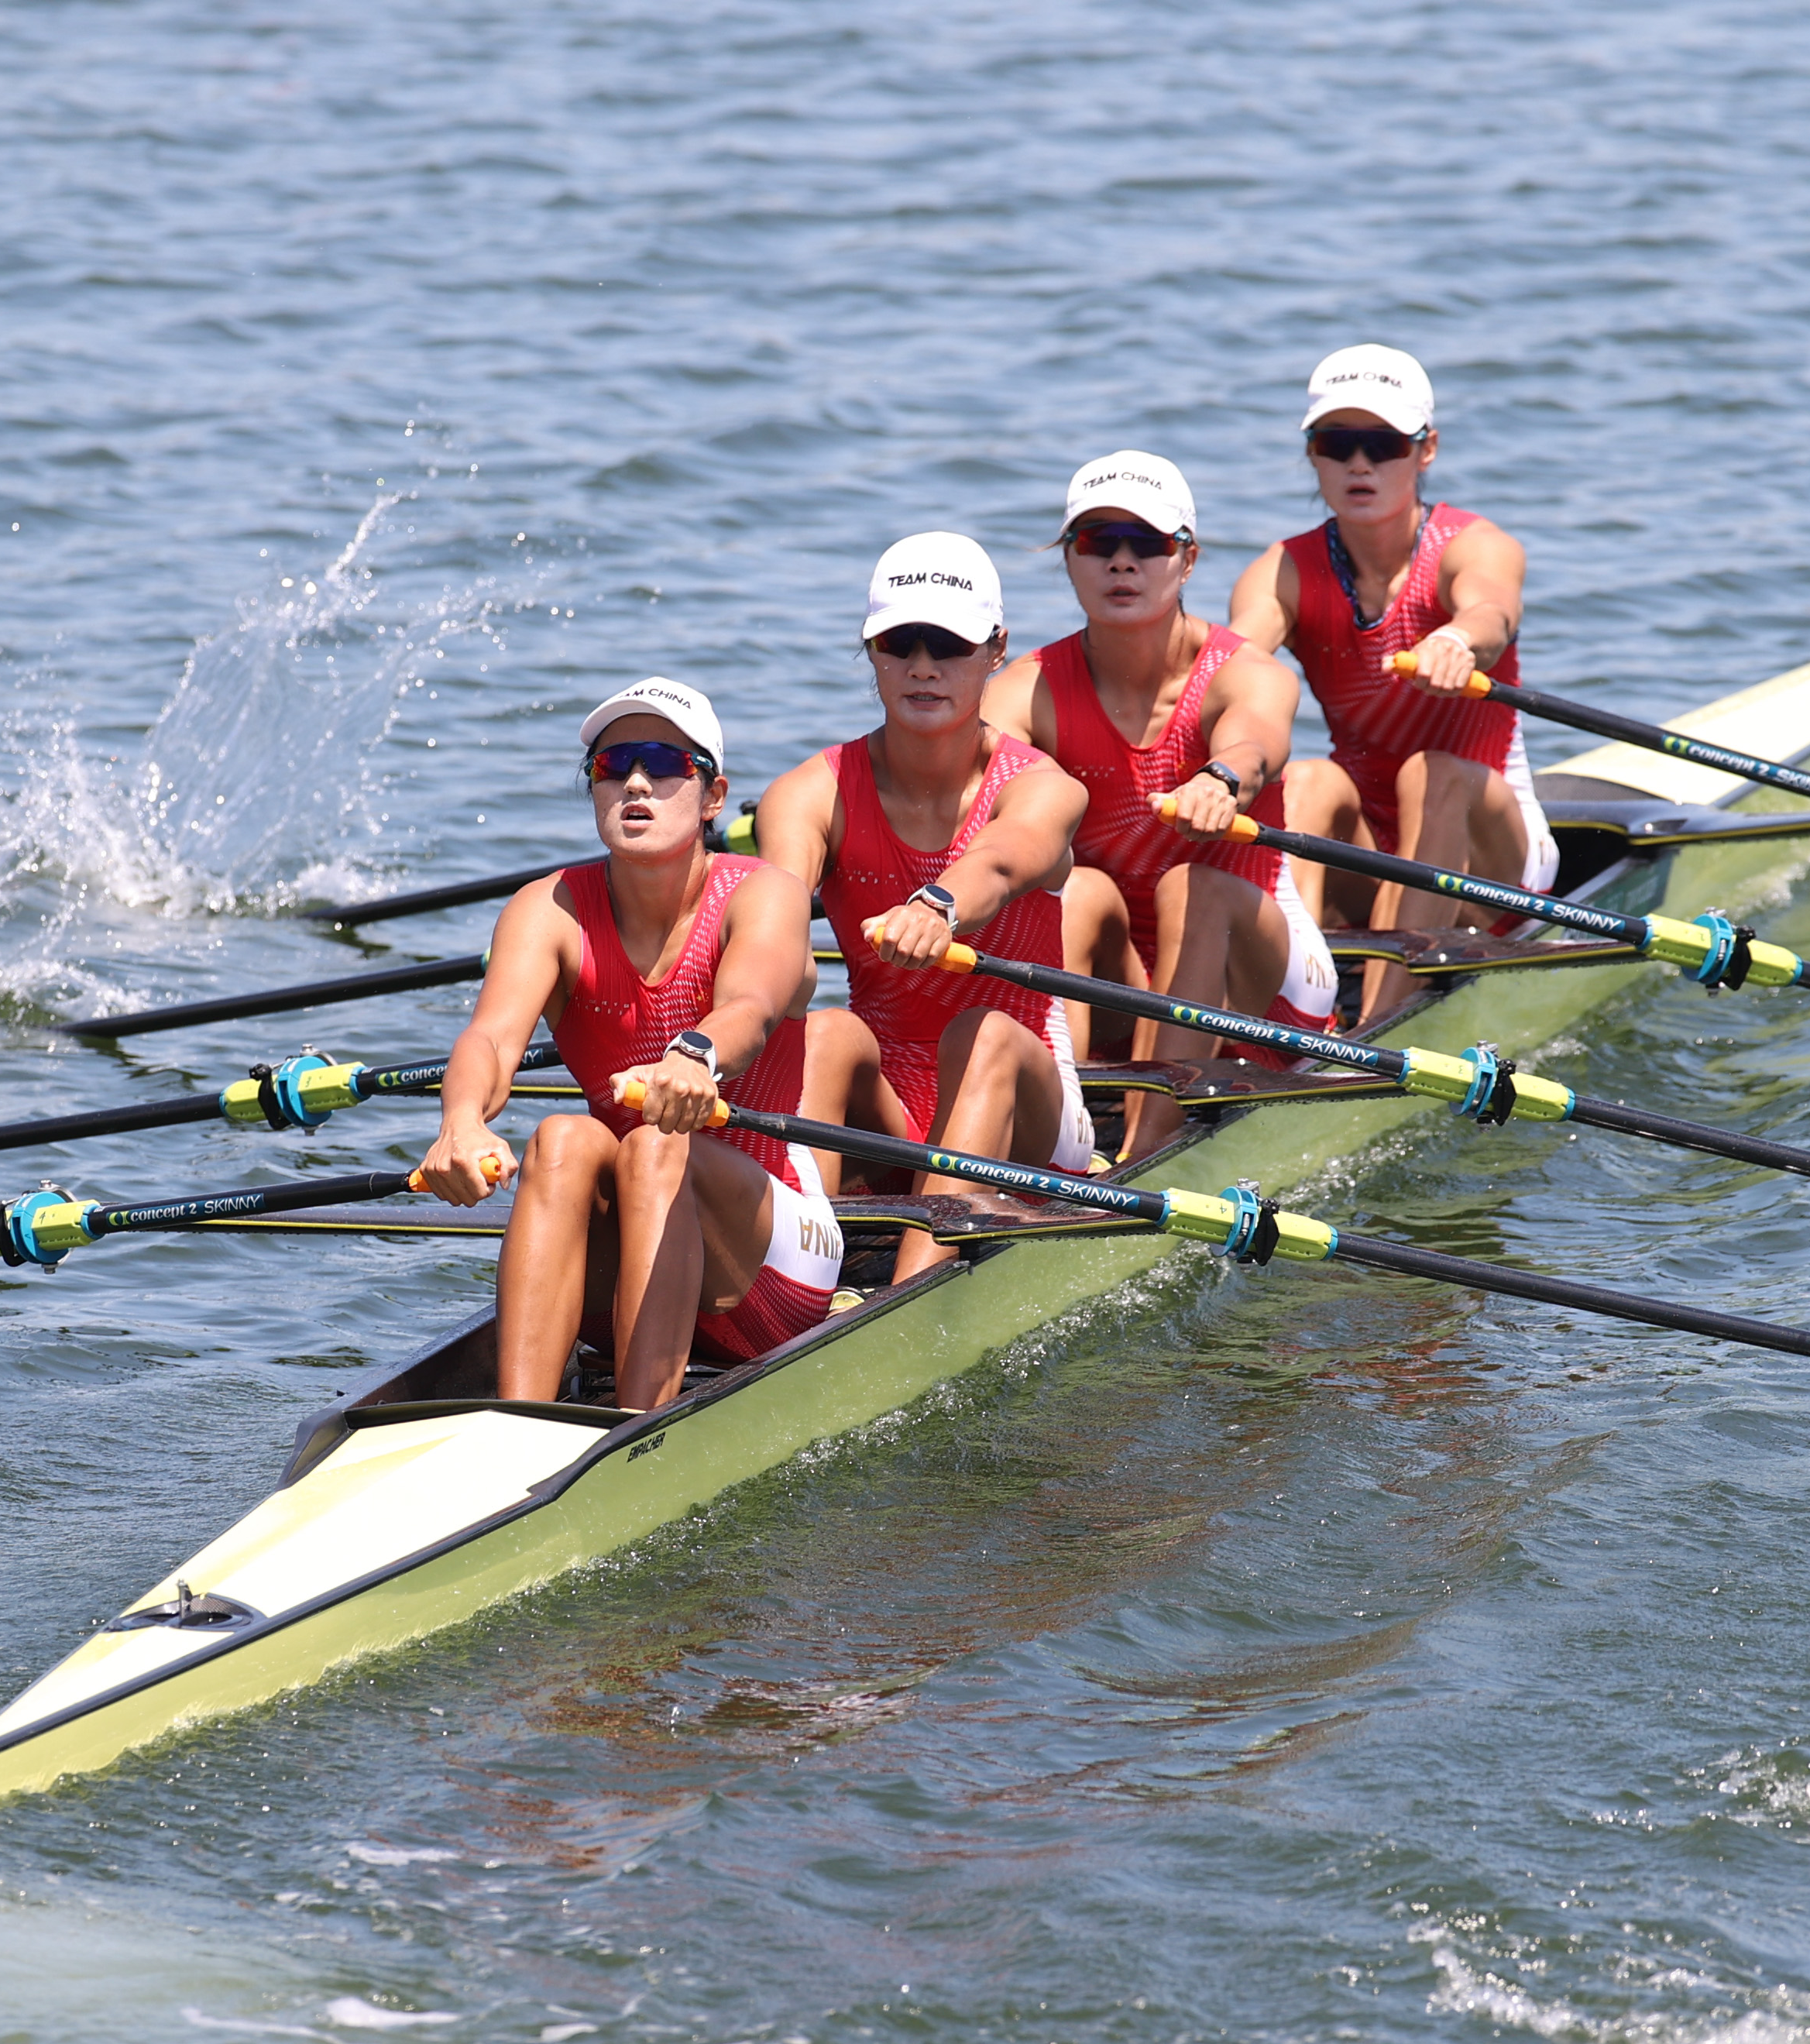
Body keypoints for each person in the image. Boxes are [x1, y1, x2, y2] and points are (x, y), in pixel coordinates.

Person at [414, 677, 873, 1410]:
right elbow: (492, 1040)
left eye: (663, 762)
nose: (634, 781)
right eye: (610, 765)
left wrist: (696, 1056)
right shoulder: (548, 910)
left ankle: (639, 1432)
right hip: (629, 1258)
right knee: (561, 1138)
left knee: (660, 1144)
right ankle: (513, 1427)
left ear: (713, 794)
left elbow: (750, 1008)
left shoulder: (765, 894)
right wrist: (462, 1124)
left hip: (768, 1272)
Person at [982, 449, 1342, 1163]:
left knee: (1194, 886)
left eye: (1146, 544)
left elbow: (1255, 739)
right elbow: (981, 790)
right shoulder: (1023, 690)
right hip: (1129, 987)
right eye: (1097, 543)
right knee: (1073, 890)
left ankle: (1143, 1154)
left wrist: (1221, 777)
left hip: (1264, 987)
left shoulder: (1247, 672)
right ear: (1069, 558)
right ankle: (1058, 1150)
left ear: (1187, 559)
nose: (1122, 563)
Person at [753, 533, 1095, 1276]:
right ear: (871, 649)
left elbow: (1004, 860)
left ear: (996, 649)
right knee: (826, 1029)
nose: (922, 666)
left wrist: (938, 905)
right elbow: (773, 912)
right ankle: (792, 1284)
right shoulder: (808, 794)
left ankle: (906, 1304)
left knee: (985, 1031)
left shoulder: (1041, 786)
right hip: (893, 1109)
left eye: (948, 643)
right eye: (898, 642)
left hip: (1034, 1112)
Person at [1226, 344, 1558, 1001]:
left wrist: (1460, 640)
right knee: (1308, 780)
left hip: (1496, 851)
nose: (1358, 463)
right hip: (1373, 850)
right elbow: (1231, 669)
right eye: (1336, 443)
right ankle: (1296, 1017)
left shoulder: (1474, 546)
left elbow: (1491, 610)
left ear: (1425, 450)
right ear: (1312, 454)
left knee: (1428, 771)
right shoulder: (1281, 573)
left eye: (1382, 444)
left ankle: (1376, 1024)